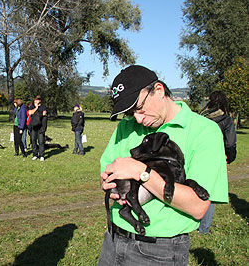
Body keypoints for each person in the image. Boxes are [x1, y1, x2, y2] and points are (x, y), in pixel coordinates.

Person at [98, 65, 228, 265]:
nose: (138, 119)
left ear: (158, 90)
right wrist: (108, 183)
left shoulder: (204, 131)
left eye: (139, 108)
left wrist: (142, 172)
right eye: (131, 113)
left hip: (159, 251)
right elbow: (108, 172)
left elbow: (198, 207)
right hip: (113, 240)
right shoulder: (126, 127)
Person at [198, 90, 236, 234]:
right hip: (216, 156)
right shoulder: (226, 119)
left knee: (196, 187)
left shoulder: (202, 117)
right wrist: (230, 156)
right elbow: (230, 142)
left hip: (198, 154)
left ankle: (194, 222)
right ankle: (204, 227)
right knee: (211, 191)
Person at [28, 95, 48, 161]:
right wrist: (36, 108)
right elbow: (30, 113)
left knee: (41, 141)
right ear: (34, 100)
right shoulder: (32, 106)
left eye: (38, 99)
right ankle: (35, 154)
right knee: (33, 141)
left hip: (41, 127)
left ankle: (42, 155)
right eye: (36, 99)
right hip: (33, 127)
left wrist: (36, 114)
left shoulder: (43, 106)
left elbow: (44, 113)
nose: (37, 101)